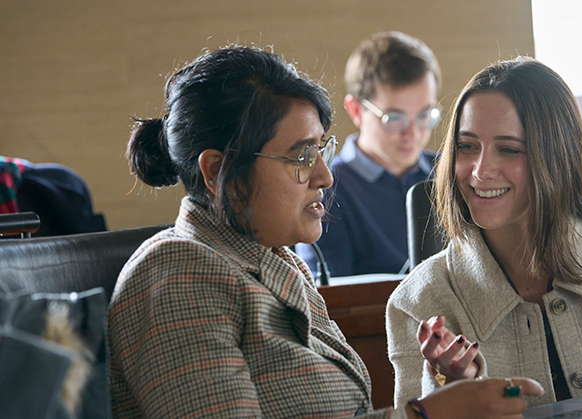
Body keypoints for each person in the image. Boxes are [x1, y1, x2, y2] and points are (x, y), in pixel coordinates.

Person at [107, 45, 543, 419]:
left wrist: (442, 393)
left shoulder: (278, 262)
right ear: (220, 172)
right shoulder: (175, 274)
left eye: (321, 150)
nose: (324, 176)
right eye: (299, 157)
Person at [386, 56, 582, 409]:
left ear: (557, 157)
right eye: (467, 147)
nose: (480, 172)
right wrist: (450, 392)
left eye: (508, 150)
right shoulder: (417, 303)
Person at [296, 31, 441, 277]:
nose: (413, 133)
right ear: (356, 110)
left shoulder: (451, 171)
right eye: (395, 118)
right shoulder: (325, 187)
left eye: (425, 115)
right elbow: (330, 300)